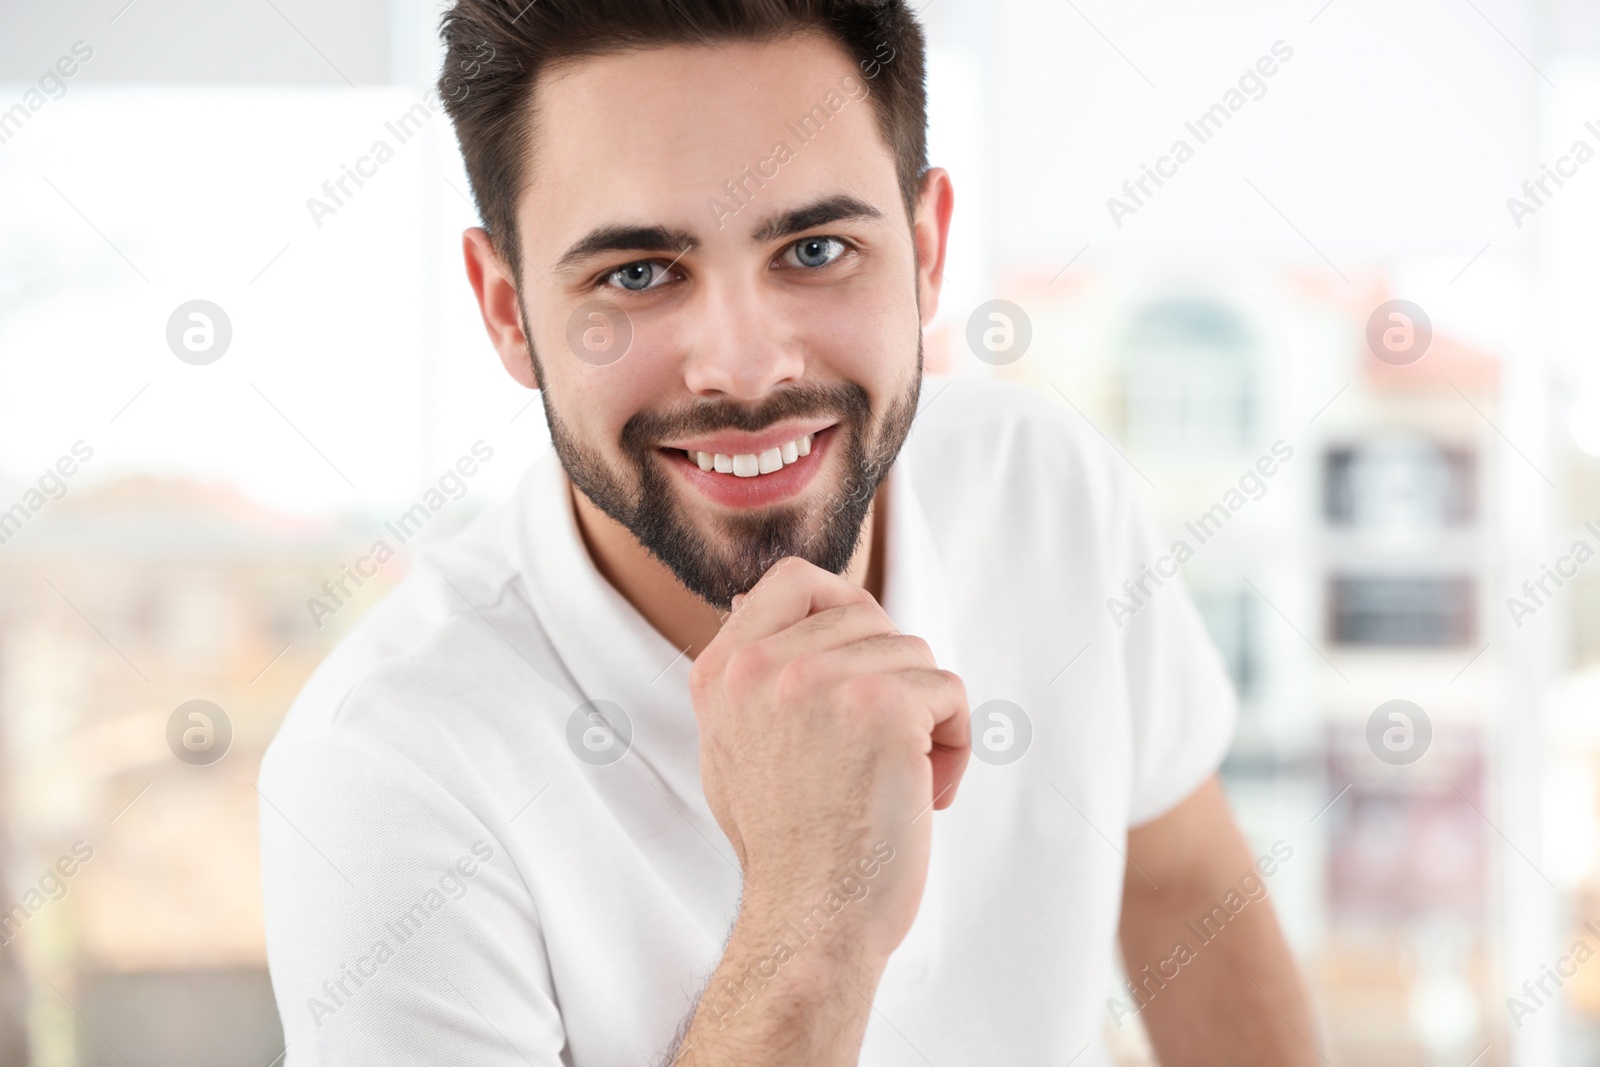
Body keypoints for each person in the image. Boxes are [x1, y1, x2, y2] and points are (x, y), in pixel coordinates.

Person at [259, 2, 1316, 1063]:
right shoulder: (382, 767)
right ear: (506, 309)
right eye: (636, 273)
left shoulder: (1039, 484)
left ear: (928, 248)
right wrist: (815, 921)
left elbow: (1185, 888)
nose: (747, 367)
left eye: (815, 249)